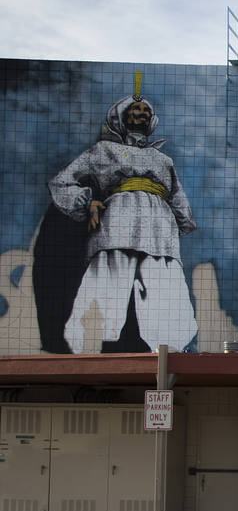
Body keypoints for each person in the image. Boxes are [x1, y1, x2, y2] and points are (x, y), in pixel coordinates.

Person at [48, 81, 198, 353]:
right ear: (121, 115)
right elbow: (62, 182)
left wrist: (180, 222)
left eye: (145, 110)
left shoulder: (162, 160)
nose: (141, 114)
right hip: (118, 219)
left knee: (164, 280)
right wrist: (87, 202)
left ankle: (170, 348)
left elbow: (177, 198)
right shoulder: (103, 151)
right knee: (108, 276)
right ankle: (87, 345)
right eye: (135, 109)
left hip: (158, 227)